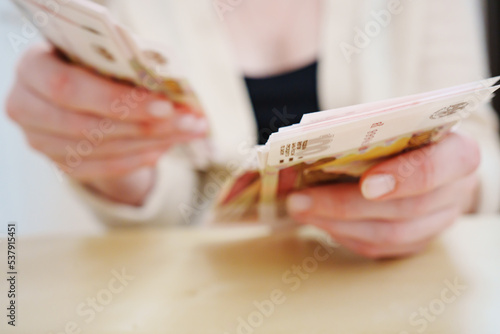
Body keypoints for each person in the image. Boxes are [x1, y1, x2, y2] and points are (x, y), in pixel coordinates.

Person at [5, 0, 500, 258]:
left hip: (403, 290)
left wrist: (455, 190)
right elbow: (175, 208)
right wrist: (114, 164)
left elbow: (476, 139)